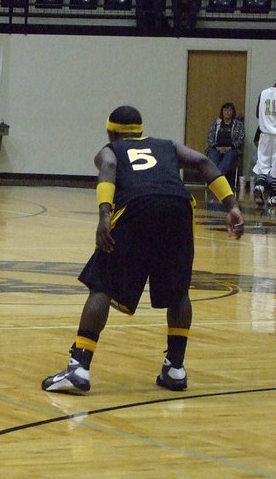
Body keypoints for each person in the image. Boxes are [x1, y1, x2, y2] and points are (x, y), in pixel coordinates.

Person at [42, 105, 244, 394]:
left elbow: (109, 168)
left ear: (111, 131)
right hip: (179, 207)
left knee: (101, 285)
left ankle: (79, 368)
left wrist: (104, 216)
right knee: (178, 291)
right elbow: (201, 161)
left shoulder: (111, 150)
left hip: (137, 207)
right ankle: (175, 368)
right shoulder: (168, 145)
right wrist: (232, 206)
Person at [206, 101, 244, 185]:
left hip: (232, 149)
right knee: (213, 155)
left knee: (229, 156)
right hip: (216, 148)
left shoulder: (238, 124)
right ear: (222, 112)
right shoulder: (216, 123)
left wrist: (230, 148)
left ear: (233, 112)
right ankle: (217, 180)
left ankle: (216, 180)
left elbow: (241, 139)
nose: (227, 113)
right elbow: (210, 136)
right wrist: (216, 147)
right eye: (225, 110)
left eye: (230, 110)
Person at [254, 81, 276, 207]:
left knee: (263, 164)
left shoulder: (263, 93)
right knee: (275, 168)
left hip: (264, 134)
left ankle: (260, 186)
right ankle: (273, 196)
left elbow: (258, 114)